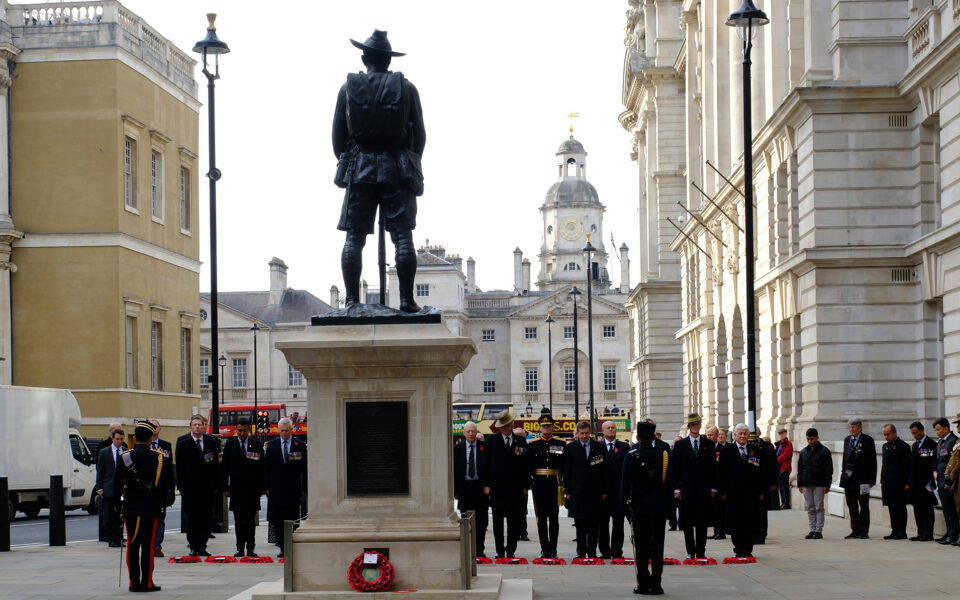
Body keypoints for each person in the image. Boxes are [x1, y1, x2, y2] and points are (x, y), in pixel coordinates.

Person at [332, 29, 426, 311]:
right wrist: (408, 160)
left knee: (354, 237)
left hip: (359, 167)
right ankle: (407, 301)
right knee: (402, 236)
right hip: (396, 167)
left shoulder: (347, 89)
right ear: (388, 60)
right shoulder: (407, 88)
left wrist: (353, 159)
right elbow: (420, 136)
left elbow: (337, 137)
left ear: (364, 58)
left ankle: (351, 299)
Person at [113, 420, 173, 593]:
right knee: (147, 547)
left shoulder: (125, 456)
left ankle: (133, 583)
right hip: (150, 509)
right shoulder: (158, 457)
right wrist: (162, 508)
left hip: (130, 509)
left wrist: (118, 507)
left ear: (135, 438)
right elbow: (162, 488)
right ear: (149, 438)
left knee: (132, 545)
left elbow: (116, 486)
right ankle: (147, 583)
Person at [621, 421, 671, 596]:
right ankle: (656, 584)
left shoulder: (631, 455)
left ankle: (643, 583)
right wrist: (670, 511)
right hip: (659, 508)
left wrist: (625, 510)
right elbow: (669, 486)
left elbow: (624, 487)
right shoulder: (663, 454)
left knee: (641, 547)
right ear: (653, 437)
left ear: (637, 437)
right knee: (657, 547)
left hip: (639, 508)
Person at [481, 409, 529, 559]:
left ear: (512, 425)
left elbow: (525, 466)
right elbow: (485, 465)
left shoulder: (520, 441)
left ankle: (511, 549)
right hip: (497, 488)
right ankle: (499, 550)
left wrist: (526, 486)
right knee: (497, 522)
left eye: (507, 426)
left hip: (515, 489)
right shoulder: (491, 441)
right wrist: (486, 485)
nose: (505, 429)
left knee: (514, 521)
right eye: (502, 426)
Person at [717, 424, 765, 558]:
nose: (743, 436)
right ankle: (738, 547)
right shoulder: (727, 451)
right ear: (735, 435)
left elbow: (761, 473)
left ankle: (748, 549)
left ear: (748, 435)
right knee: (736, 522)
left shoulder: (755, 450)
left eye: (745, 433)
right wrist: (723, 492)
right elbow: (721, 473)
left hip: (751, 494)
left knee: (750, 522)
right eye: (740, 434)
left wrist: (761, 491)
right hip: (733, 494)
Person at [673, 413, 716, 558]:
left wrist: (713, 487)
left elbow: (712, 468)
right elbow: (676, 467)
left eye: (697, 424)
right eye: (693, 424)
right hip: (686, 489)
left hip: (703, 489)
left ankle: (701, 551)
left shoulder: (709, 444)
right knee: (687, 522)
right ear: (689, 427)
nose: (696, 427)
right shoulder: (680, 445)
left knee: (702, 522)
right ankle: (690, 551)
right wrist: (677, 488)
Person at [175, 414, 219, 556]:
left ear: (203, 426)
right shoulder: (183, 442)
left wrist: (216, 485)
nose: (197, 427)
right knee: (192, 518)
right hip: (190, 488)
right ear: (190, 427)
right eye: (194, 425)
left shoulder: (211, 441)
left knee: (205, 518)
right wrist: (180, 486)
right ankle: (193, 545)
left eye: (199, 424)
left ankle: (202, 545)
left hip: (207, 487)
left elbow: (215, 465)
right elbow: (179, 466)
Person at [221, 417, 264, 557]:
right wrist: (225, 488)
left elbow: (262, 468)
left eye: (245, 430)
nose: (242, 433)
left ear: (249, 430)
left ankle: (251, 548)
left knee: (251, 522)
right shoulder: (230, 445)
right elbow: (224, 468)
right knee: (239, 521)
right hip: (236, 489)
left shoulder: (256, 445)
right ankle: (240, 548)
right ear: (236, 430)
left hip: (252, 490)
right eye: (239, 430)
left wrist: (262, 488)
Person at [264, 417, 308, 558]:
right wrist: (266, 487)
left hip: (293, 490)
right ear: (278, 430)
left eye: (287, 431)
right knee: (278, 520)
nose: (284, 433)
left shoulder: (300, 445)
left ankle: (292, 545)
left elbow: (305, 469)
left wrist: (304, 488)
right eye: (282, 431)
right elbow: (267, 468)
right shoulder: (272, 445)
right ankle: (282, 547)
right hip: (276, 490)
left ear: (291, 429)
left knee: (293, 519)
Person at [563, 421, 605, 558]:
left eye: (587, 433)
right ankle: (581, 552)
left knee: (593, 524)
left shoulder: (599, 447)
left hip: (595, 491)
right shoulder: (570, 448)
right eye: (582, 433)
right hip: (577, 491)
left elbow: (604, 470)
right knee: (580, 524)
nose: (584, 436)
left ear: (590, 433)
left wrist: (604, 490)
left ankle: (592, 551)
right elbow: (567, 471)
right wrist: (567, 491)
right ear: (577, 433)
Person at [527, 415, 565, 558]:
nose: (546, 428)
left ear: (553, 427)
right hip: (539, 486)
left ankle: (553, 548)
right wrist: (531, 483)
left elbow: (564, 465)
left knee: (554, 519)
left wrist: (563, 484)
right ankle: (544, 548)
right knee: (541, 519)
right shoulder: (533, 444)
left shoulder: (561, 443)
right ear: (540, 428)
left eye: (548, 426)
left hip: (554, 486)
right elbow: (528, 466)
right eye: (543, 426)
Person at [453, 421, 489, 557]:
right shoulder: (457, 449)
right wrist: (455, 491)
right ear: (464, 433)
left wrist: (487, 486)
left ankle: (479, 549)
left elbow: (488, 468)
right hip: (464, 489)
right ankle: (467, 549)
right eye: (468, 431)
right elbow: (454, 471)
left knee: (481, 521)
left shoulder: (484, 447)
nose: (471, 434)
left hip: (480, 489)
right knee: (465, 519)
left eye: (473, 431)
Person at [840, 417, 876, 539]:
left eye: (854, 427)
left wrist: (872, 479)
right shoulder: (847, 440)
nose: (852, 429)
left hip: (863, 479)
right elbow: (845, 459)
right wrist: (843, 474)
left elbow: (872, 461)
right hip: (849, 478)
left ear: (860, 427)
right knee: (851, 505)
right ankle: (855, 528)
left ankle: (864, 530)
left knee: (863, 505)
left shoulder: (867, 440)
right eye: (850, 427)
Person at [598, 420, 630, 559]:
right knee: (602, 524)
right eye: (608, 428)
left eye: (613, 428)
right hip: (603, 492)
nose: (611, 430)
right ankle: (605, 551)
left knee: (618, 523)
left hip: (619, 492)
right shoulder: (597, 446)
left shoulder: (624, 447)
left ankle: (617, 552)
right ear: (603, 431)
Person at [797, 427, 832, 539]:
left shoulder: (825, 451)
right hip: (807, 483)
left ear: (817, 438)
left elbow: (828, 469)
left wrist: (827, 484)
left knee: (819, 507)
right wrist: (800, 483)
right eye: (808, 439)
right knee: (810, 507)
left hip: (819, 483)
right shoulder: (803, 452)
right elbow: (800, 468)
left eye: (812, 439)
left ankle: (818, 529)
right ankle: (812, 529)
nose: (810, 441)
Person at [907, 420, 937, 541]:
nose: (914, 435)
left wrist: (932, 482)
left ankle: (928, 533)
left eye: (916, 433)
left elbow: (932, 464)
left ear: (922, 431)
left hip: (926, 483)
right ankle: (920, 532)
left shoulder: (931, 444)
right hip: (915, 483)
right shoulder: (915, 445)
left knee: (927, 509)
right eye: (912, 433)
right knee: (918, 509)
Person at [96, 428, 126, 547]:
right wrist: (99, 487)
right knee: (108, 516)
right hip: (108, 487)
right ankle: (111, 538)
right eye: (117, 439)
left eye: (121, 439)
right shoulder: (104, 452)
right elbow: (100, 471)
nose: (120, 441)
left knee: (120, 516)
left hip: (121, 489)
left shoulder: (125, 451)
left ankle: (119, 538)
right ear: (112, 438)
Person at [880, 424, 910, 540]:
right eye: (884, 435)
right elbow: (884, 465)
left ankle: (902, 531)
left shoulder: (903, 446)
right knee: (891, 507)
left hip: (899, 483)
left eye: (888, 434)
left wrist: (907, 483)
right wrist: (882, 480)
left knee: (900, 508)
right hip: (888, 482)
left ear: (894, 433)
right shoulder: (885, 446)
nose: (886, 437)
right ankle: (894, 529)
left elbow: (907, 466)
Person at [147, 419, 172, 557]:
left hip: (161, 488)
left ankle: (157, 545)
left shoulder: (165, 445)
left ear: (159, 428)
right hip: (147, 489)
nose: (153, 429)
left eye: (155, 426)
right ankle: (148, 544)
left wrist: (171, 489)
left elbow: (168, 469)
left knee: (160, 518)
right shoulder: (142, 446)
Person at [933, 417, 959, 544]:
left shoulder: (952, 441)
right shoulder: (941, 442)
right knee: (946, 509)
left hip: (949, 481)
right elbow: (938, 460)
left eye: (939, 429)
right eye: (936, 430)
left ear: (946, 428)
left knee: (951, 509)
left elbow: (952, 462)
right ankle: (949, 532)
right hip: (941, 481)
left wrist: (949, 480)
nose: (937, 432)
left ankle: (953, 534)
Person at [755, 434, 779, 544]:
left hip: (764, 483)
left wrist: (773, 482)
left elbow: (774, 465)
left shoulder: (767, 446)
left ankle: (762, 533)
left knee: (762, 511)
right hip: (751, 485)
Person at [711, 427, 728, 540]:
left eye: (722, 434)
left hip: (720, 484)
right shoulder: (711, 448)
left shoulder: (724, 449)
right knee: (714, 510)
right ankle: (716, 530)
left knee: (720, 510)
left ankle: (721, 531)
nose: (720, 436)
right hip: (712, 483)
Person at [775, 428, 793, 509]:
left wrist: (776, 460)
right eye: (780, 434)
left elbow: (786, 455)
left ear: (786, 434)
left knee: (784, 486)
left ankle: (786, 503)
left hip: (784, 468)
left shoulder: (788, 444)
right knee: (781, 487)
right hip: (779, 468)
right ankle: (783, 502)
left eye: (782, 433)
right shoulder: (780, 444)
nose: (781, 435)